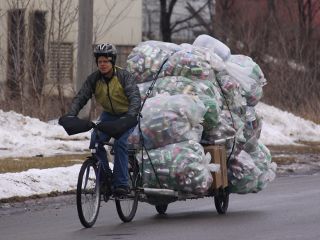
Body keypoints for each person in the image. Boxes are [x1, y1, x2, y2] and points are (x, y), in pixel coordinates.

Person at [67, 43, 141, 195]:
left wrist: (129, 117)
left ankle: (122, 184)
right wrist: (70, 115)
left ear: (112, 61)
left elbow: (135, 98)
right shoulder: (94, 79)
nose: (102, 64)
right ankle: (105, 177)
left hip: (127, 115)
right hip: (108, 115)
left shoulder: (124, 76)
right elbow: (81, 97)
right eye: (100, 61)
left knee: (120, 143)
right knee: (96, 139)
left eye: (106, 61)